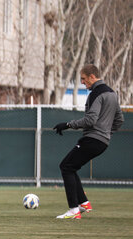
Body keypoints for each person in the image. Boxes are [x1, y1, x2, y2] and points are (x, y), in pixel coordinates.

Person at [53, 64, 124, 219]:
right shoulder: (112, 93)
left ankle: (73, 210)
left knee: (66, 166)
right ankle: (83, 203)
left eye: (84, 79)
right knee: (71, 167)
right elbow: (119, 120)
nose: (83, 83)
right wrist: (106, 133)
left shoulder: (96, 94)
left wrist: (67, 125)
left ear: (93, 76)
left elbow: (90, 120)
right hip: (102, 142)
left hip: (92, 139)